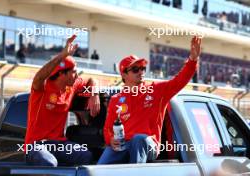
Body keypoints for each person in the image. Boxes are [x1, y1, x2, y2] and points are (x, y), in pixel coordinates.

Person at [98, 36, 201, 164]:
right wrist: (111, 139)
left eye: (142, 68)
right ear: (124, 75)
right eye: (135, 69)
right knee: (99, 167)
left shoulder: (157, 90)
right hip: (123, 145)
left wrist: (192, 60)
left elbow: (179, 81)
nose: (140, 71)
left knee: (138, 139)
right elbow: (107, 129)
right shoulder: (115, 99)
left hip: (149, 144)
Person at [24, 34, 100, 167]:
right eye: (74, 72)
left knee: (86, 156)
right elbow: (38, 78)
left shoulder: (73, 85)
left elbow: (91, 80)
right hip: (36, 145)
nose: (77, 75)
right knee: (49, 163)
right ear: (61, 74)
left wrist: (94, 94)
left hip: (59, 144)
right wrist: (62, 55)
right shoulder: (43, 87)